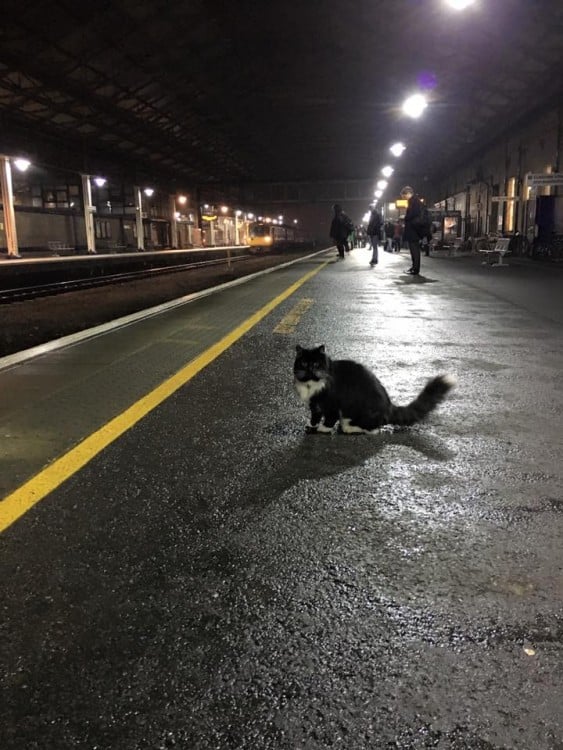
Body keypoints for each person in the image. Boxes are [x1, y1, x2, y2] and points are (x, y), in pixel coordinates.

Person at [401, 185, 428, 275]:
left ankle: (415, 269)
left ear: (408, 193)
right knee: (413, 250)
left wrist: (406, 218)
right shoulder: (415, 201)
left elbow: (413, 214)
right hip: (414, 229)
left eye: (404, 196)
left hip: (414, 230)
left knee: (414, 250)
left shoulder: (414, 202)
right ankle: (414, 267)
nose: (404, 198)